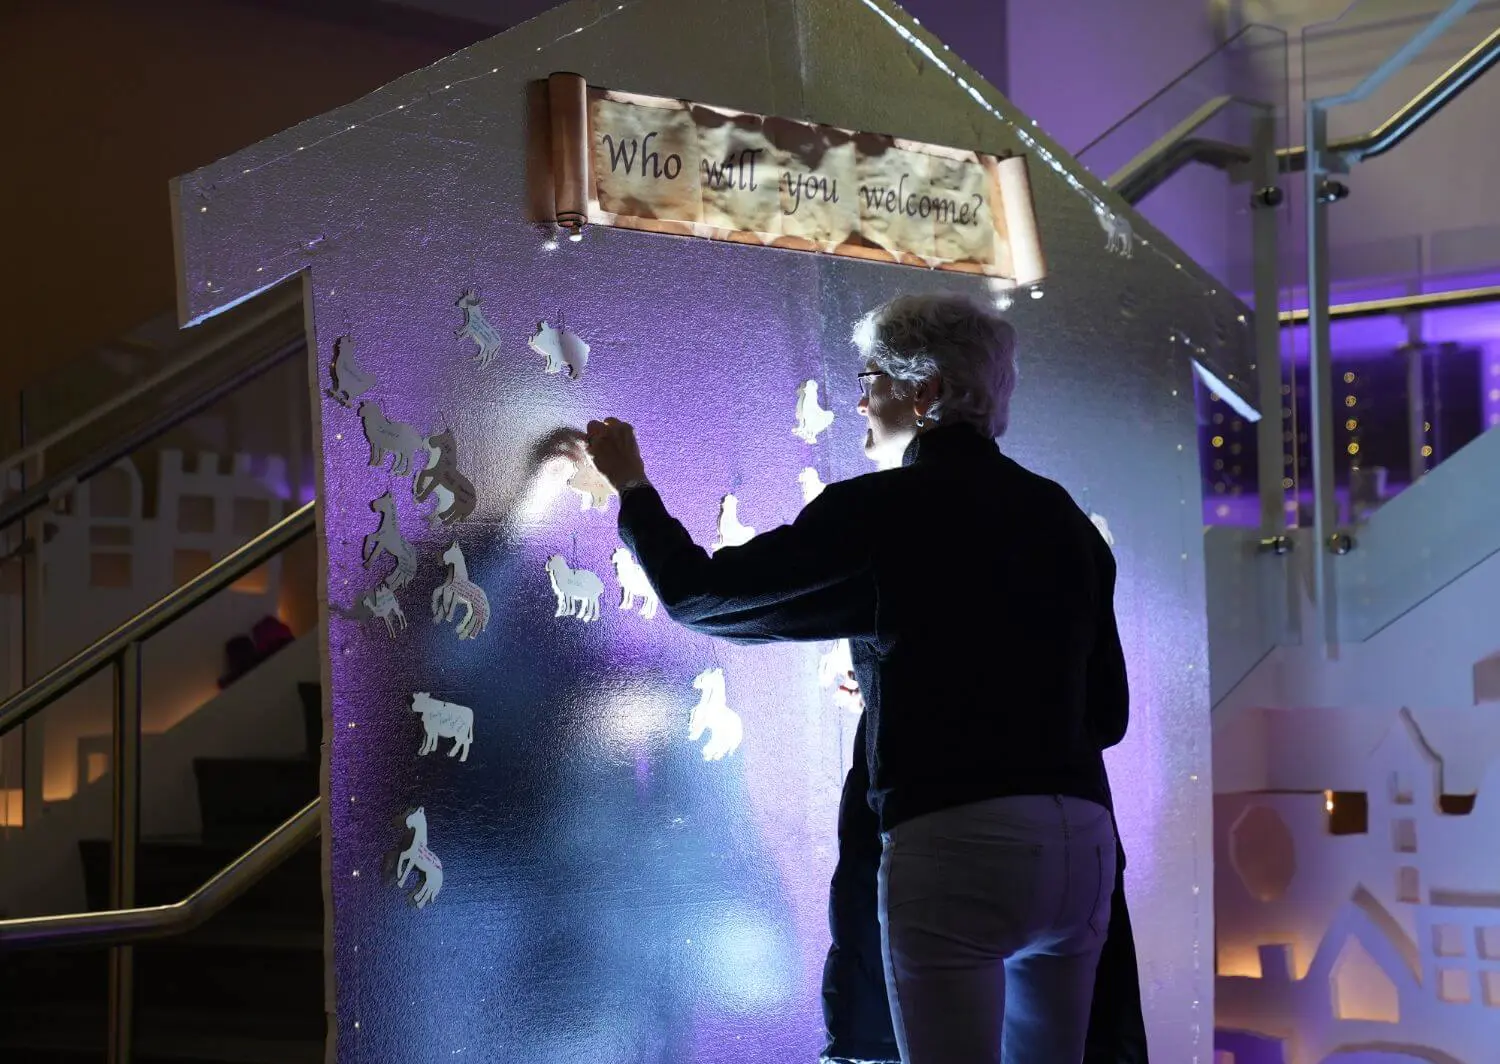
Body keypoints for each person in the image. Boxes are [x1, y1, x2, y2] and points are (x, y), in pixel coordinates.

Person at [588, 293, 1130, 1063]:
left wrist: (633, 488)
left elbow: (701, 596)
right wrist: (899, 677)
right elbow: (1105, 715)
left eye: (871, 376)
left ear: (926, 392)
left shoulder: (882, 509)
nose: (857, 397)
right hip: (1078, 846)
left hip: (955, 844)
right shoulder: (1064, 519)